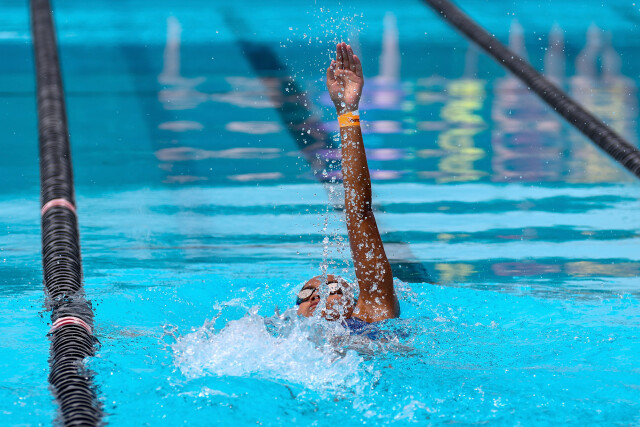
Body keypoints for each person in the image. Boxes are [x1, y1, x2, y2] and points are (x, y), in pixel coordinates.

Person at [295, 42, 400, 327]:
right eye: (306, 293)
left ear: (356, 301)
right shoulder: (278, 336)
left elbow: (359, 212)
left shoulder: (371, 315)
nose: (316, 296)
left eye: (332, 289)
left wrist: (347, 111)